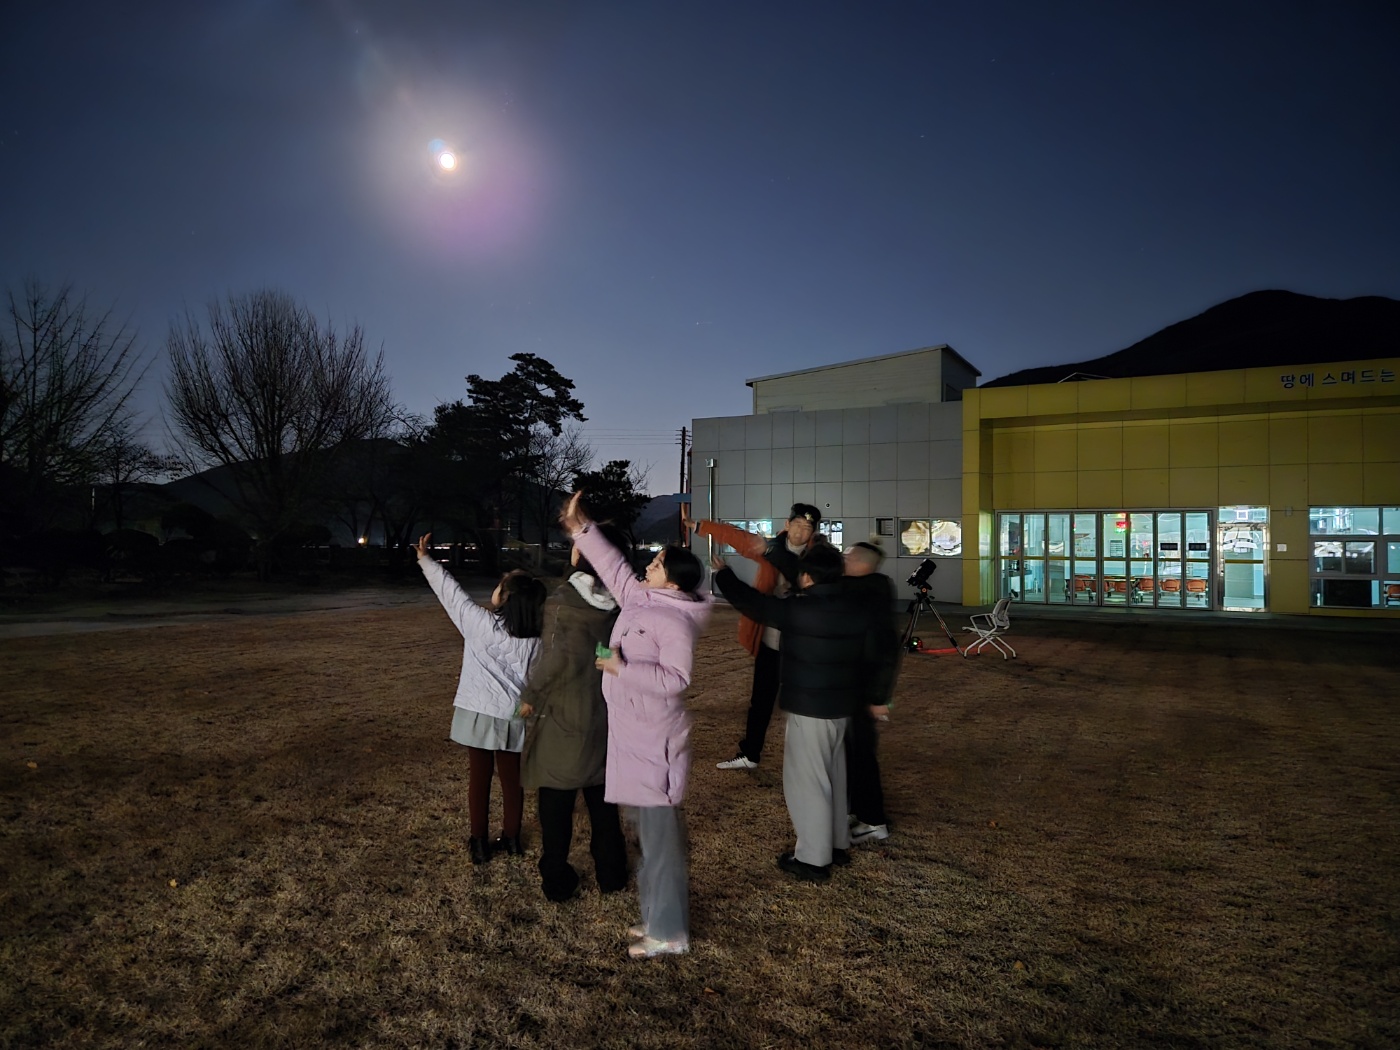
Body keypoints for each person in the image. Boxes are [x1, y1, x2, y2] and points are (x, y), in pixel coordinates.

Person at [561, 491, 711, 960]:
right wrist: (582, 529)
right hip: (634, 738)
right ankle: (656, 917)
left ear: (674, 582)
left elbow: (676, 679)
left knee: (660, 844)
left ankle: (669, 933)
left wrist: (620, 667)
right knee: (648, 839)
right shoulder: (640, 599)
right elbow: (613, 567)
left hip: (655, 744)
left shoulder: (675, 622)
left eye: (659, 563)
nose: (649, 564)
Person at [712, 542, 884, 882]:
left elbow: (752, 602)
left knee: (808, 784)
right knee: (834, 777)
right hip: (842, 707)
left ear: (806, 577)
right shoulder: (856, 605)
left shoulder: (799, 609)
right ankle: (836, 843)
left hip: (810, 708)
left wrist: (724, 574)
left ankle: (813, 858)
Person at [414, 533, 546, 865]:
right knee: (512, 780)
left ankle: (479, 843)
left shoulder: (480, 623)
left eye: (501, 584)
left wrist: (426, 560)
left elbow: (450, 594)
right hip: (512, 714)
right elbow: (536, 681)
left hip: (479, 710)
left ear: (506, 596)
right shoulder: (535, 639)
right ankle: (512, 838)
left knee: (479, 778)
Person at [519, 523, 631, 903]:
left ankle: (556, 878)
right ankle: (612, 874)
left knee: (556, 805)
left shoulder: (564, 602)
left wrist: (530, 695)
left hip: (566, 713)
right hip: (604, 713)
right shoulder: (619, 603)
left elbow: (555, 659)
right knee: (603, 803)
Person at [685, 504, 825, 771]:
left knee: (806, 701)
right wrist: (702, 527)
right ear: (787, 524)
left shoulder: (817, 556)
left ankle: (811, 760)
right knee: (761, 698)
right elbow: (739, 537)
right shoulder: (771, 547)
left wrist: (770, 552)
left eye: (807, 528)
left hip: (803, 642)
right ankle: (750, 753)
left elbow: (798, 573)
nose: (800, 532)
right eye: (797, 525)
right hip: (771, 636)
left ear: (813, 532)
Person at [840, 541, 902, 845]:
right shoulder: (871, 590)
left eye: (847, 556)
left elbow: (887, 652)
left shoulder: (868, 594)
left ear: (859, 562)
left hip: (863, 690)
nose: (843, 560)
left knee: (861, 754)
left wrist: (879, 698)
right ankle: (858, 809)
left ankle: (873, 820)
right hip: (857, 687)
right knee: (852, 752)